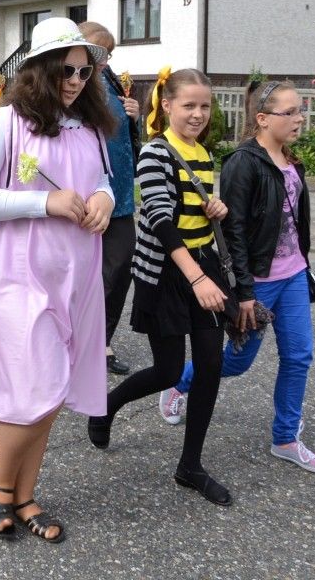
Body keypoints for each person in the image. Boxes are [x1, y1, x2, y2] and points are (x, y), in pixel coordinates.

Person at [0, 18, 116, 543]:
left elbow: (102, 179)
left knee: (54, 389)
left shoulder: (92, 127)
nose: (77, 80)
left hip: (75, 277)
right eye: (67, 69)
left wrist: (106, 198)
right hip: (18, 276)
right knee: (38, 383)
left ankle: (26, 493)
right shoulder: (3, 123)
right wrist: (45, 201)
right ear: (39, 69)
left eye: (86, 69)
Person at [159, 80, 315, 474]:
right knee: (237, 362)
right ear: (262, 118)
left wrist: (303, 262)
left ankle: (286, 438)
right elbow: (232, 232)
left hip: (293, 276)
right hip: (260, 280)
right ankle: (179, 384)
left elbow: (294, 223)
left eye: (300, 111)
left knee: (299, 356)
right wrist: (246, 290)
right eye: (290, 112)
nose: (299, 119)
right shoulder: (243, 162)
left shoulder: (291, 159)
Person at [87, 67, 237, 507]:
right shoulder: (155, 152)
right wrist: (197, 279)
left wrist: (215, 209)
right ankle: (108, 405)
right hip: (169, 275)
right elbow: (159, 219)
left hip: (203, 266)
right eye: (188, 105)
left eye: (204, 106)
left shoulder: (205, 156)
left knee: (210, 365)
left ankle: (190, 466)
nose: (197, 114)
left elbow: (194, 217)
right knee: (170, 370)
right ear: (166, 105)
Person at [78, 21, 140, 375]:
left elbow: (122, 135)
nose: (106, 59)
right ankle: (78, 341)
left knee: (119, 268)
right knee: (81, 272)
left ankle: (101, 342)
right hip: (86, 196)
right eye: (100, 51)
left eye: (109, 53)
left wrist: (134, 115)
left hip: (119, 195)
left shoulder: (110, 80)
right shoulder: (75, 82)